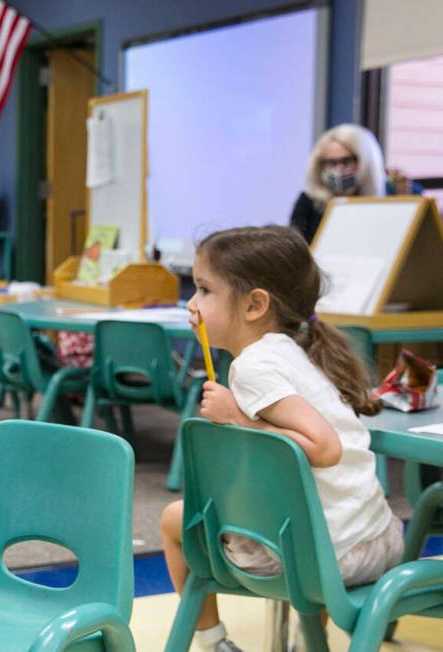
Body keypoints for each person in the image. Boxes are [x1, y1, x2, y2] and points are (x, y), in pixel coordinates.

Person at [159, 225, 403, 651]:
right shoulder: (293, 351)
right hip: (373, 537)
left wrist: (237, 417)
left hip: (322, 557)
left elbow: (323, 448)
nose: (192, 304)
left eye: (203, 290)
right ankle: (307, 641)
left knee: (171, 521)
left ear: (254, 305)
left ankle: (212, 640)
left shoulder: (255, 367)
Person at [290, 124, 386, 243]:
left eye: (346, 161)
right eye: (331, 162)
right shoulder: (308, 202)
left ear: (365, 162)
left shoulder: (382, 203)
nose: (338, 169)